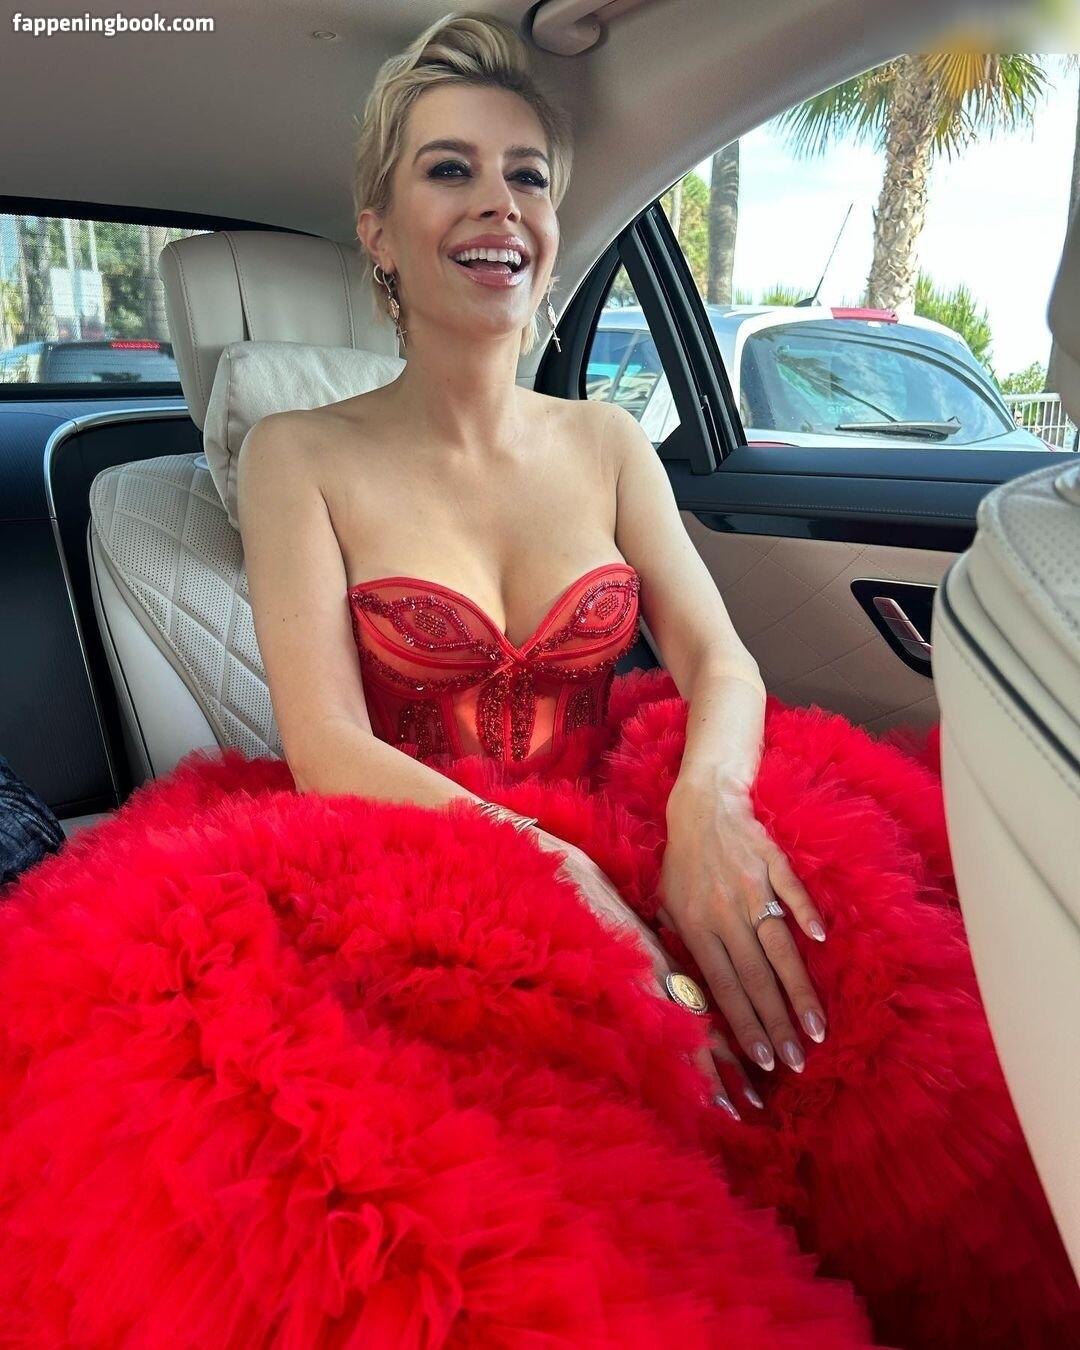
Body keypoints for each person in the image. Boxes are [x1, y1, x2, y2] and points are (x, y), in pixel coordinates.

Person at [0, 13, 1077, 1349]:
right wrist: (562, 877)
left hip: (629, 798)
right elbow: (328, 741)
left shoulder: (609, 439)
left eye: (527, 176)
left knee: (891, 1032)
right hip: (409, 854)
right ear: (380, 231)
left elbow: (719, 659)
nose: (498, 202)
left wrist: (706, 806)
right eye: (449, 169)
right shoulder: (297, 454)